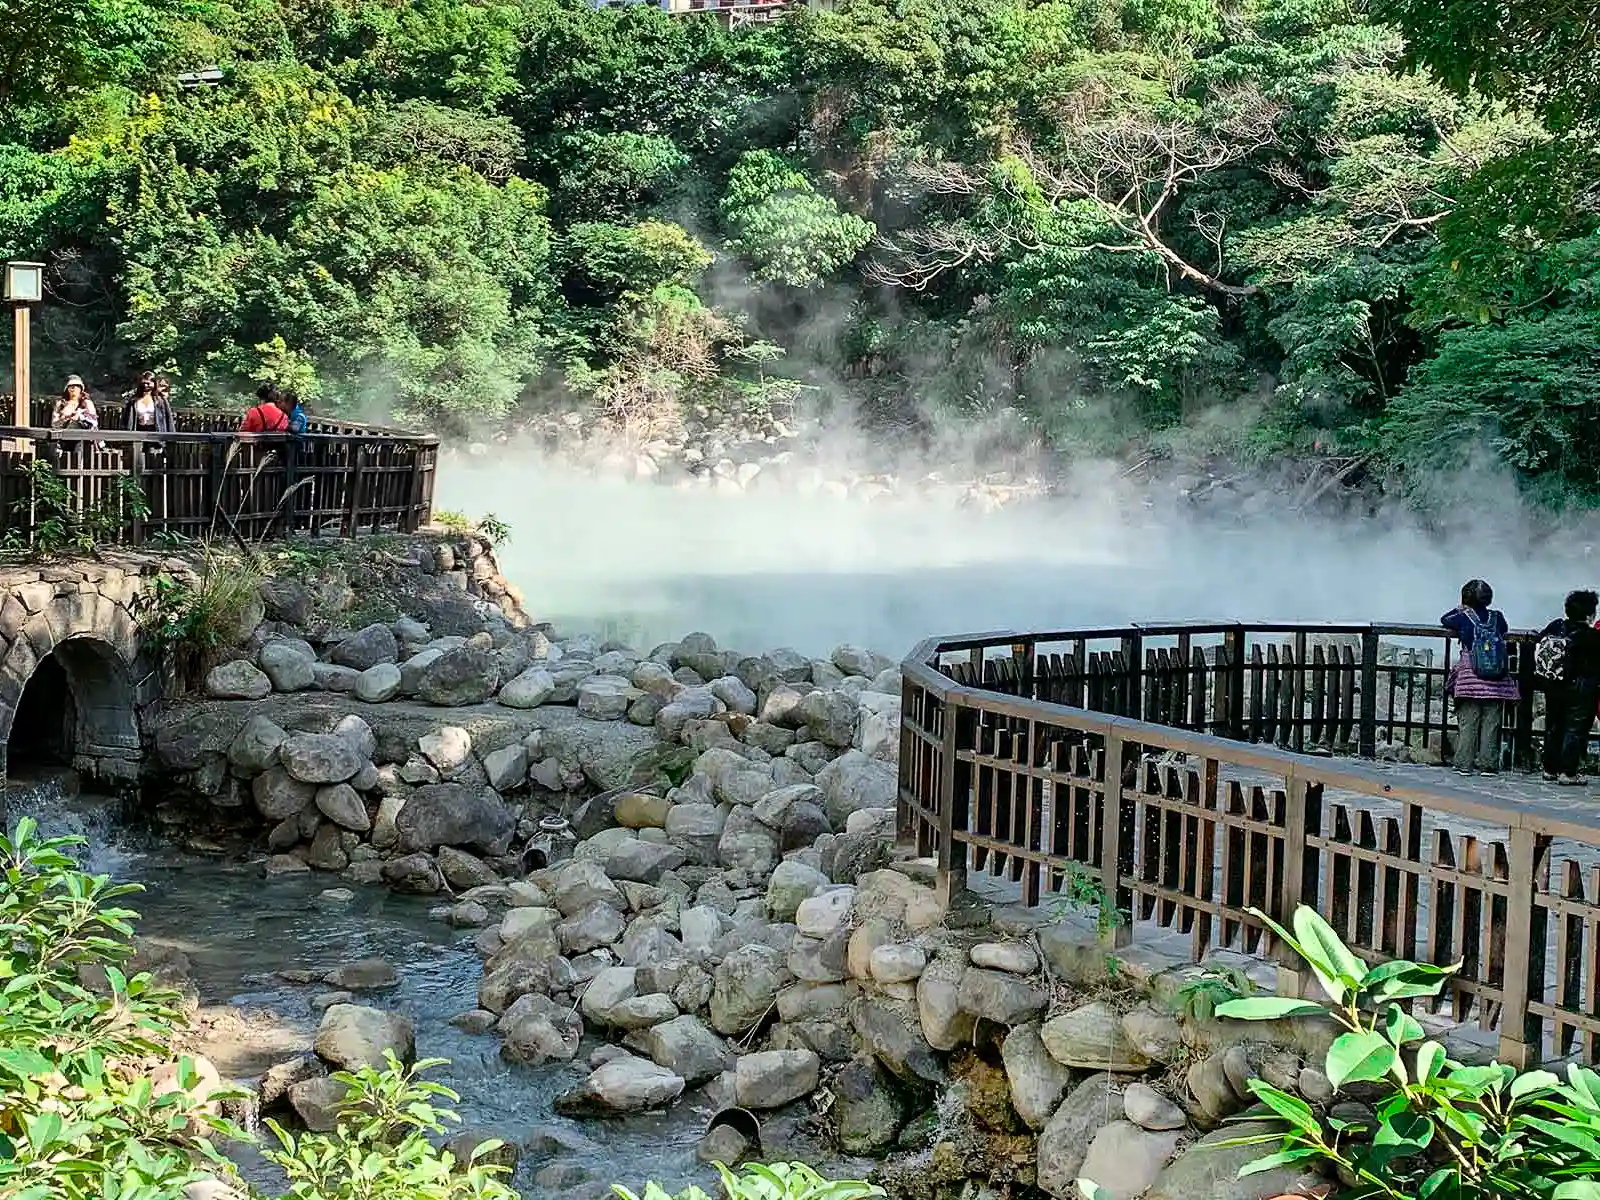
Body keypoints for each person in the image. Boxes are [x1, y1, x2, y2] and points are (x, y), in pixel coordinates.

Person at [1441, 578, 1520, 776]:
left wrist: (1460, 608)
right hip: (1496, 680)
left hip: (1470, 678)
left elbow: (1445, 619)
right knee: (1491, 724)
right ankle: (1488, 765)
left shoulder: (1463, 617)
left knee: (1468, 722)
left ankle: (1463, 764)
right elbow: (1504, 630)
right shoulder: (1497, 617)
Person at [1537, 590, 1600, 785]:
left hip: (1554, 684)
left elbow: (1539, 642)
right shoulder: (1592, 636)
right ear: (1590, 615)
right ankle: (1568, 772)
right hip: (1581, 688)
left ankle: (1549, 769)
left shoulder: (1556, 626)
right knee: (1575, 730)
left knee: (1553, 726)